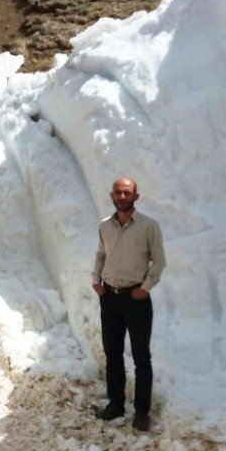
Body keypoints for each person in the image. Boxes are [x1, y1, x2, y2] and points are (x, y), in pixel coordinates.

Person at [91, 177, 166, 432]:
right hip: (109, 298)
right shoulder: (104, 226)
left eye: (127, 193)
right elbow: (101, 255)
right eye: (118, 193)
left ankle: (142, 411)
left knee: (141, 357)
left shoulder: (148, 226)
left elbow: (159, 261)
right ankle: (116, 404)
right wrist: (96, 281)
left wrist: (145, 288)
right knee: (113, 355)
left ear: (135, 197)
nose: (121, 197)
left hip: (136, 299)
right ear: (111, 195)